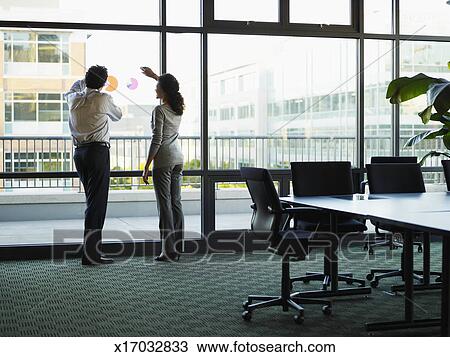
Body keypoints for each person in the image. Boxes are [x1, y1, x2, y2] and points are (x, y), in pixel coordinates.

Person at [64, 65, 122, 266]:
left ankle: (92, 252)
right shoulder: (103, 99)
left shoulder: (74, 98)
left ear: (86, 80)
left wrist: (87, 82)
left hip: (79, 154)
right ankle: (91, 254)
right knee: (96, 204)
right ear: (103, 83)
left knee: (92, 202)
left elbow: (73, 88)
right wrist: (97, 88)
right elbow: (118, 115)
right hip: (97, 152)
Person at [141, 67, 185, 262]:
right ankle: (177, 247)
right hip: (178, 159)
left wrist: (147, 165)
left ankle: (167, 251)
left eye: (157, 86)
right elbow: (172, 87)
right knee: (176, 203)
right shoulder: (177, 108)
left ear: (164, 91)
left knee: (164, 206)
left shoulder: (159, 110)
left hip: (164, 160)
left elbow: (157, 139)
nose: (155, 89)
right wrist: (155, 77)